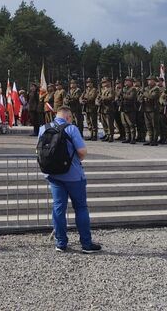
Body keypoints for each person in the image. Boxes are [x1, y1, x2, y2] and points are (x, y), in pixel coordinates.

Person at [41, 106, 102, 253]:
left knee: (58, 208)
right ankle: (86, 244)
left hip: (53, 175)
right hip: (73, 175)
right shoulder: (71, 128)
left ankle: (61, 243)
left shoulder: (44, 128)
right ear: (68, 117)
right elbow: (82, 151)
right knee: (80, 208)